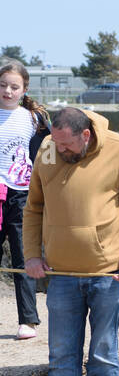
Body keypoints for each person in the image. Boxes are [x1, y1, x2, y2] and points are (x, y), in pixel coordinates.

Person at [25, 108, 119, 376]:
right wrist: (32, 255)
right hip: (60, 275)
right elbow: (33, 208)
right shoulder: (49, 147)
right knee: (62, 355)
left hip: (107, 273)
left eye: (65, 144)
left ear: (86, 136)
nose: (57, 149)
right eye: (54, 141)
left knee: (104, 353)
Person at [0, 60, 47, 340]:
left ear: (24, 89)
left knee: (23, 254)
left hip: (21, 192)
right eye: (3, 85)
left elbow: (50, 155)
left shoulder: (33, 118)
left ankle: (28, 320)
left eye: (13, 86)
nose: (7, 91)